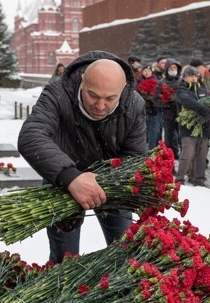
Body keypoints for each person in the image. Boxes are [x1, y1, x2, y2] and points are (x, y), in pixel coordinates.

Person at [17, 51, 146, 264]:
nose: (101, 106)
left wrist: (104, 180)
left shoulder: (134, 104)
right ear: (82, 82)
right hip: (62, 179)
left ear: (122, 91)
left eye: (110, 98)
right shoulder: (57, 94)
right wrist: (71, 177)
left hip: (111, 183)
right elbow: (31, 136)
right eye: (93, 95)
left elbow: (134, 156)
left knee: (126, 252)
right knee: (64, 260)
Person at [175, 66, 210, 186]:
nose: (194, 78)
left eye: (195, 76)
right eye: (191, 76)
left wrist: (205, 116)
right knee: (188, 154)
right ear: (184, 77)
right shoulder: (181, 90)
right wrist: (203, 110)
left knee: (202, 154)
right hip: (188, 128)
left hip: (204, 127)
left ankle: (199, 179)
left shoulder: (202, 90)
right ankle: (180, 179)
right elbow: (188, 102)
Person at [156, 58, 183, 159]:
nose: (173, 69)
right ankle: (169, 164)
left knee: (182, 139)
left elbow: (186, 96)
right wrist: (166, 103)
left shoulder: (181, 82)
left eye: (175, 67)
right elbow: (156, 99)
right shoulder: (161, 83)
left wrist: (177, 99)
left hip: (181, 114)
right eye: (171, 67)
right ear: (167, 69)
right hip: (167, 115)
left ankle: (184, 164)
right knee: (169, 140)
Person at [138, 65, 163, 149]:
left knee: (153, 132)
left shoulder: (156, 82)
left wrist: (151, 99)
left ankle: (151, 150)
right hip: (142, 111)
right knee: (142, 132)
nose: (147, 72)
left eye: (148, 71)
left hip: (153, 110)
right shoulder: (138, 81)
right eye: (145, 70)